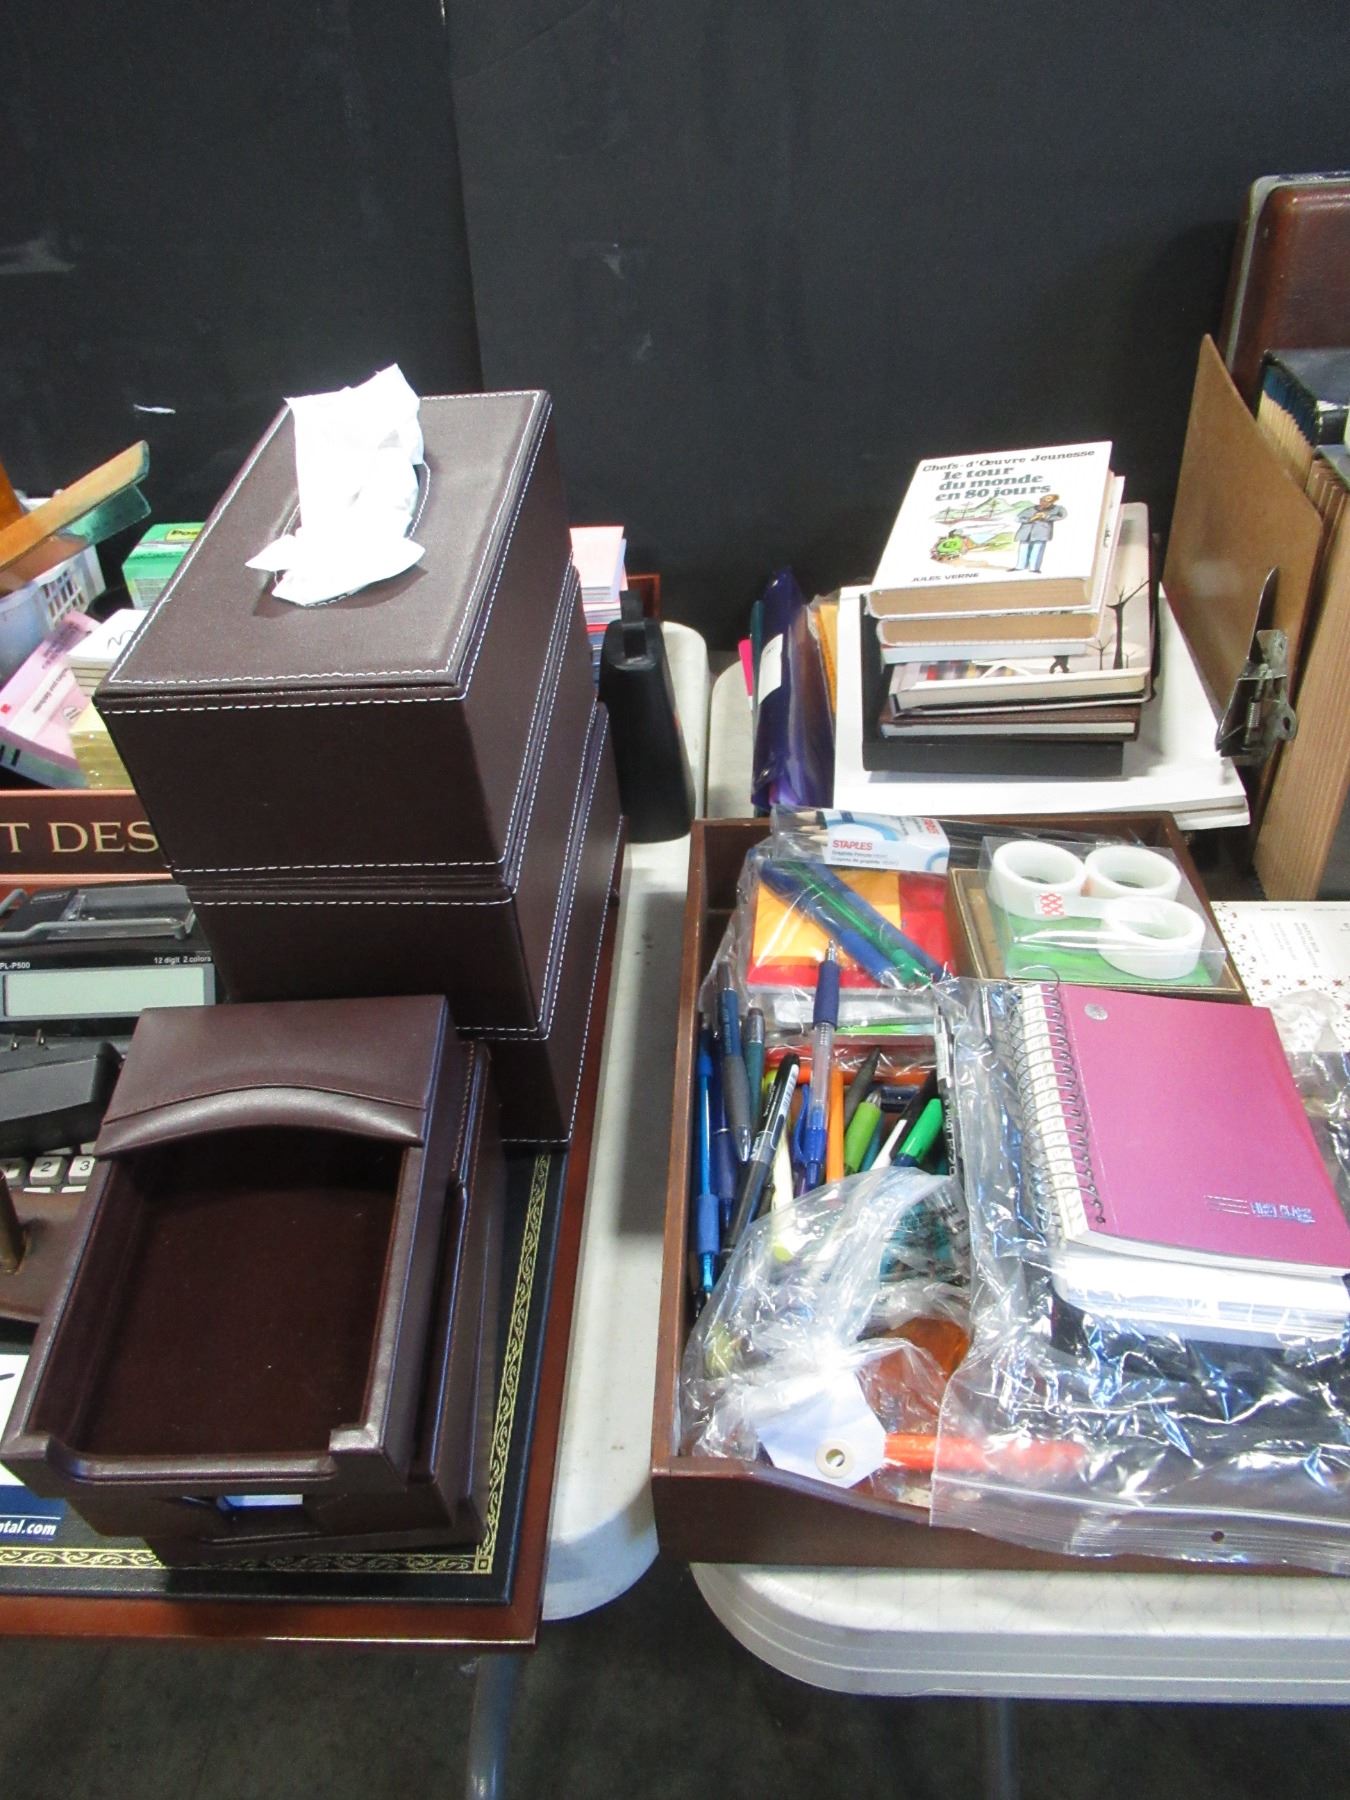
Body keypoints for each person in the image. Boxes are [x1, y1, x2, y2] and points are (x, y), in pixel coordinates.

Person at [1014, 492, 1066, 572]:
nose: (1044, 502)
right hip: (1025, 532)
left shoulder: (1057, 509)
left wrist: (1046, 516)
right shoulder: (1031, 509)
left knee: (1037, 550)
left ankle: (1034, 568)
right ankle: (1020, 567)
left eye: (1048, 501)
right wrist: (1029, 519)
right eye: (1043, 500)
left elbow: (1062, 516)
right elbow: (1018, 518)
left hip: (1041, 533)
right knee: (1023, 549)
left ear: (1052, 502)